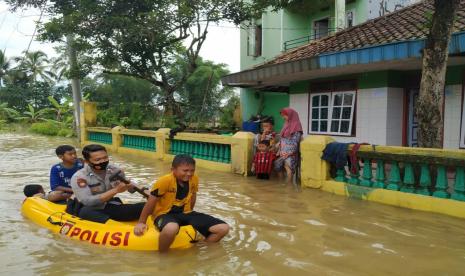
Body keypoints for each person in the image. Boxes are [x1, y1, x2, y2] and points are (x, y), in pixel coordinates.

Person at [133, 154, 229, 252]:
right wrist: (141, 222)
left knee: (223, 228)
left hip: (185, 212)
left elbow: (193, 195)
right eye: (185, 170)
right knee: (171, 228)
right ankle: (162, 255)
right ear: (173, 169)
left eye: (192, 170)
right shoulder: (164, 181)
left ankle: (201, 247)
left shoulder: (194, 179)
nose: (189, 174)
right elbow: (151, 201)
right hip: (164, 214)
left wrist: (192, 215)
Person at [70, 144, 145, 223]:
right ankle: (113, 226)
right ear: (87, 161)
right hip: (89, 208)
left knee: (146, 206)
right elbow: (88, 201)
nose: (103, 161)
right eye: (98, 160)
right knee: (86, 212)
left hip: (110, 205)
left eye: (105, 158)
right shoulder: (79, 177)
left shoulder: (115, 170)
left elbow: (128, 186)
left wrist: (145, 191)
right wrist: (115, 190)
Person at [274, 108, 303, 185]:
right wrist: (279, 145)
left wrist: (289, 152)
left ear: (290, 115)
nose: (283, 117)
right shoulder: (286, 124)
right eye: (283, 115)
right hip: (283, 150)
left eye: (285, 115)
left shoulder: (297, 125)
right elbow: (283, 137)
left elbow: (296, 140)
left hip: (291, 151)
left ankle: (288, 185)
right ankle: (281, 182)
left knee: (288, 167)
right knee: (278, 165)